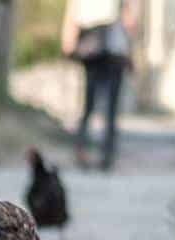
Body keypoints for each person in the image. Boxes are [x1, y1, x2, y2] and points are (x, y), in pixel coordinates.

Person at [61, 0, 141, 171]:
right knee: (110, 108)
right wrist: (131, 49)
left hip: (93, 46)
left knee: (88, 104)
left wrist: (68, 38)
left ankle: (83, 150)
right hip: (112, 48)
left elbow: (73, 12)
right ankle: (106, 155)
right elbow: (129, 21)